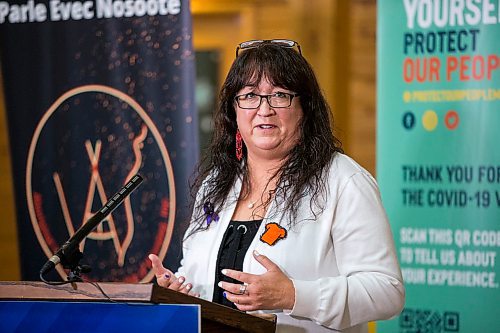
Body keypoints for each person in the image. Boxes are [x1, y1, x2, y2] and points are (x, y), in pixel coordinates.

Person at [149, 39, 405, 332]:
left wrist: (293, 295)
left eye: (280, 95)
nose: (264, 109)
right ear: (234, 110)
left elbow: (387, 292)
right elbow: (202, 276)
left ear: (305, 108)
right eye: (249, 95)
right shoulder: (216, 184)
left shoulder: (344, 180)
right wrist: (180, 293)